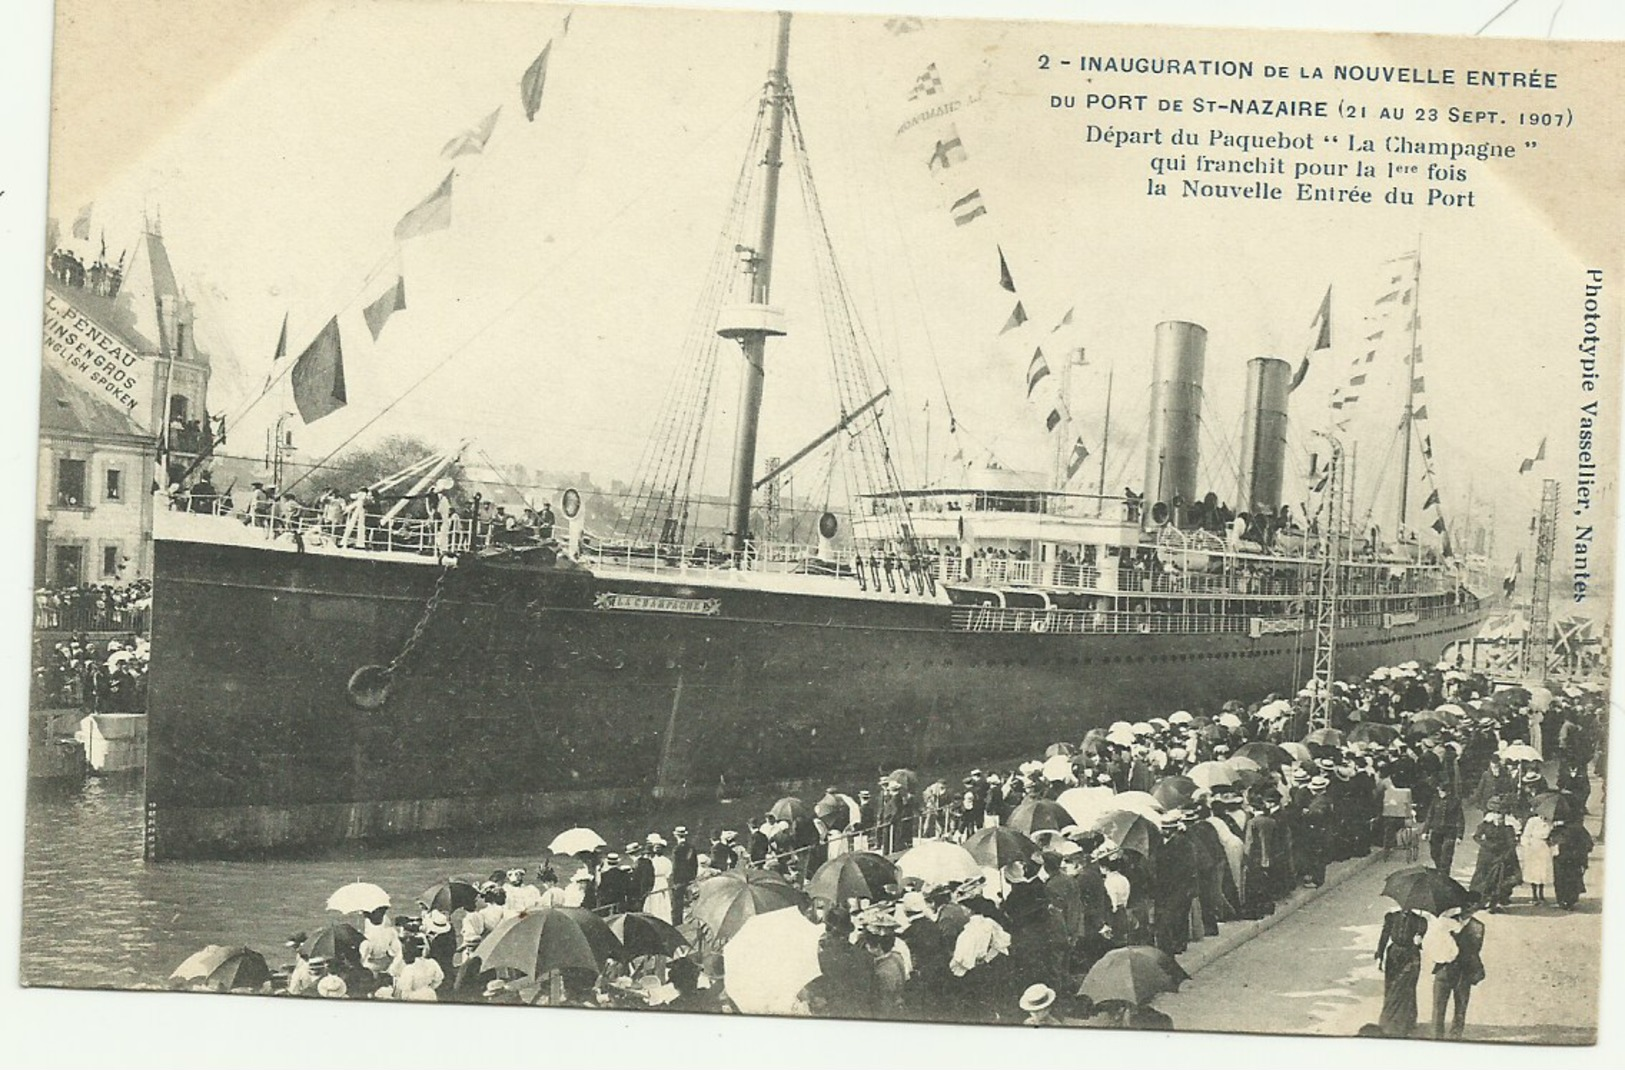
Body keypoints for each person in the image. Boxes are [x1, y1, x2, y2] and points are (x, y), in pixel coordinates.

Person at [1429, 902, 1486, 1040]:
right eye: (1465, 907)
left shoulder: (1478, 927)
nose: (1466, 910)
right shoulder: (1447, 922)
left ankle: (1455, 1037)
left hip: (1463, 972)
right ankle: (1436, 1038)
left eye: (1471, 908)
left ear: (1475, 910)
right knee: (1438, 1008)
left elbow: (1474, 951)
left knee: (1460, 1008)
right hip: (1443, 970)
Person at [1374, 906, 1428, 1037]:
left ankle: (1407, 1022)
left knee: (1407, 989)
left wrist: (1419, 940)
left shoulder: (1420, 920)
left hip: (1411, 956)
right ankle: (1389, 1021)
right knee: (1391, 987)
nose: (1406, 907)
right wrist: (1379, 956)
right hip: (1394, 955)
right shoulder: (1391, 917)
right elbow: (1384, 936)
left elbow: (1422, 942)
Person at [1468, 804, 1521, 912]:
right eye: (1497, 816)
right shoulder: (1485, 825)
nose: (1500, 819)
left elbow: (1512, 843)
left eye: (1501, 817)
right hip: (1486, 855)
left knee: (1500, 878)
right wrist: (1486, 844)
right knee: (1482, 876)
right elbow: (1476, 836)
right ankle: (1479, 899)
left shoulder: (1508, 828)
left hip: (1501, 856)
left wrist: (1506, 855)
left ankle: (1497, 900)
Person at [1549, 818, 1595, 910]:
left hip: (1561, 859)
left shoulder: (1558, 830)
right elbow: (1589, 845)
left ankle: (1562, 901)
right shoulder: (1580, 829)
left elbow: (1551, 843)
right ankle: (1571, 901)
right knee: (1574, 879)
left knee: (1560, 880)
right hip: (1575, 859)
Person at [1518, 809, 1555, 904]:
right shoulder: (1532, 821)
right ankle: (1534, 895)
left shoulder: (1550, 823)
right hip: (1533, 847)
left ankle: (1541, 894)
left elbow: (1551, 835)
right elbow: (1526, 835)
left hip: (1544, 847)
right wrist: (1527, 846)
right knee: (1533, 870)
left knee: (1543, 870)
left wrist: (1551, 842)